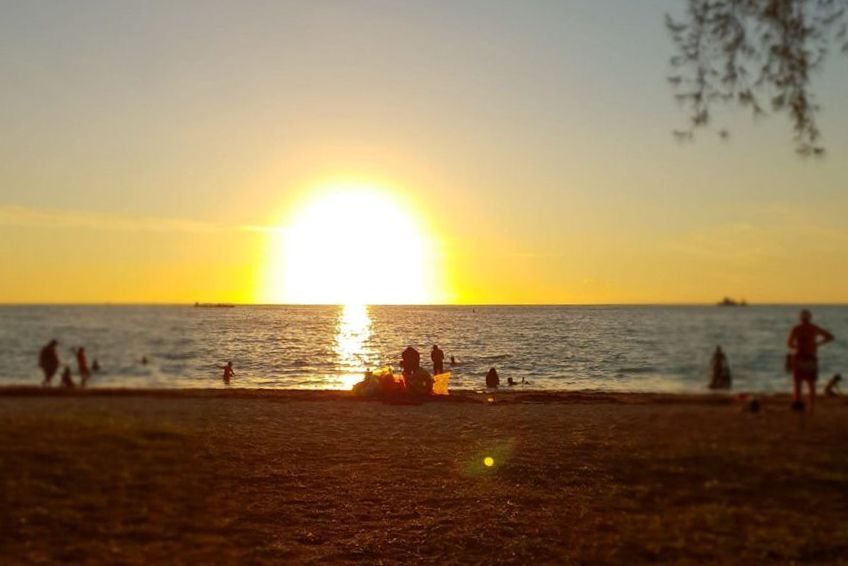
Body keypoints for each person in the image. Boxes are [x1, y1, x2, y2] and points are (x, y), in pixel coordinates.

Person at [787, 309, 835, 413]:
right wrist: (817, 344)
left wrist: (798, 346)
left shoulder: (796, 329)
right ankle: (811, 407)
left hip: (800, 357)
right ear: (810, 318)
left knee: (798, 383)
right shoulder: (814, 328)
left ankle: (798, 404)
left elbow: (789, 344)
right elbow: (830, 337)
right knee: (811, 383)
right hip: (810, 358)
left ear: (800, 318)